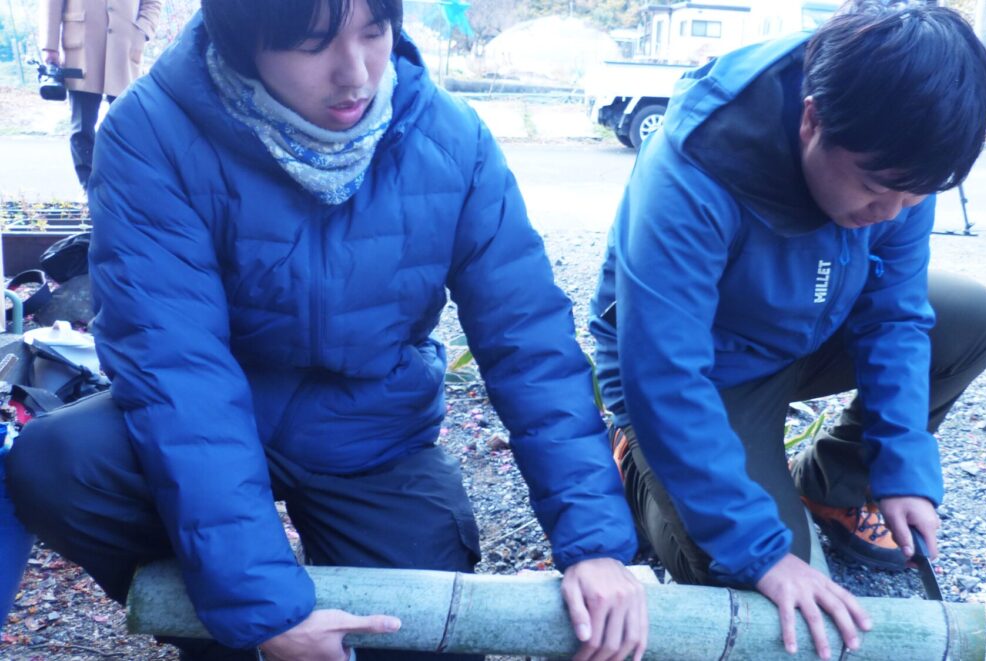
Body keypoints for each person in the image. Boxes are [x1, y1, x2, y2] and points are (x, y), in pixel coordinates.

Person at [7, 1, 649, 660]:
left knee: (426, 639)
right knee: (59, 464)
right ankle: (228, 639)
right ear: (243, 41)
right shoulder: (153, 132)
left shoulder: (450, 138)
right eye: (314, 45)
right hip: (223, 406)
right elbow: (178, 371)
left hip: (372, 430)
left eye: (375, 33)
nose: (356, 74)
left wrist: (595, 543)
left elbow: (529, 340)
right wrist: (263, 611)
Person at [589, 2, 986, 659]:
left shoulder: (901, 158)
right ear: (812, 119)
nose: (890, 213)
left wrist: (902, 467)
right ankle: (636, 469)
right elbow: (665, 374)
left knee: (972, 320)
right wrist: (760, 552)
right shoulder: (696, 167)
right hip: (705, 369)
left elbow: (895, 316)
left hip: (807, 325)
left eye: (915, 197)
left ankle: (832, 485)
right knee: (762, 592)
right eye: (876, 189)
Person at [40, 0, 163, 193]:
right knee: (82, 126)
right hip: (81, 46)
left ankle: (123, 189)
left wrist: (143, 30)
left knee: (128, 127)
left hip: (125, 45)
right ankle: (90, 189)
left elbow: (153, 2)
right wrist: (50, 47)